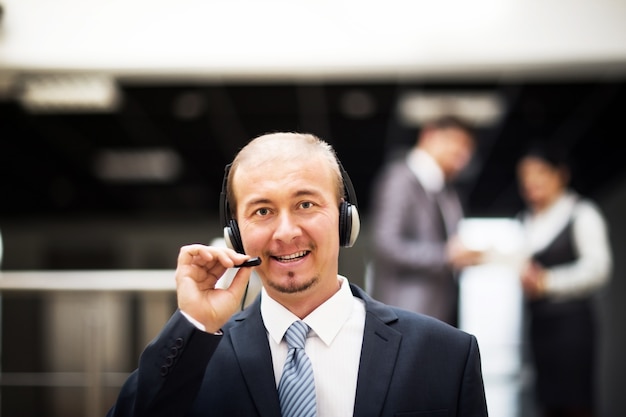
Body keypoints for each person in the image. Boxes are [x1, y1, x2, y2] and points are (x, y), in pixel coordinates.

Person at [106, 132, 488, 417]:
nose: (285, 232)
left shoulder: (445, 356)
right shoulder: (197, 354)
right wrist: (195, 325)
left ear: (344, 220)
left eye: (305, 204)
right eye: (262, 211)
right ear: (235, 235)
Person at [516, 144, 612, 417]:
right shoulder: (527, 220)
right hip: (540, 325)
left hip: (572, 326)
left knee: (575, 403)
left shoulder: (582, 213)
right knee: (548, 403)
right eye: (524, 175)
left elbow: (598, 270)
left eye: (539, 172)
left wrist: (547, 282)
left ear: (560, 175)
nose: (530, 181)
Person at [369, 115, 483, 327]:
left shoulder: (446, 191)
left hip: (438, 314)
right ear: (429, 135)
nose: (462, 155)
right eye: (457, 143)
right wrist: (446, 256)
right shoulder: (400, 179)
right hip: (403, 315)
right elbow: (387, 246)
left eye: (468, 148)